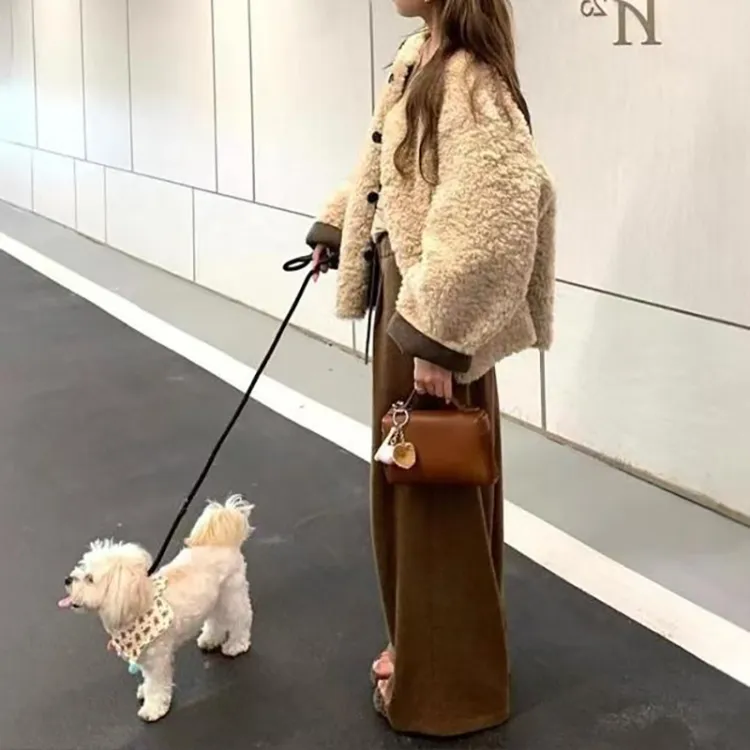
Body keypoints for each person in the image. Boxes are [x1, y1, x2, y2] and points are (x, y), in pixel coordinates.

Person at [305, 0, 556, 738]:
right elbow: (386, 168)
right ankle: (425, 652)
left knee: (434, 496)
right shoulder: (419, 56)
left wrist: (439, 338)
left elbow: (495, 214)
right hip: (411, 306)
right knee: (411, 493)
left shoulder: (471, 78)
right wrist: (339, 225)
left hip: (429, 318)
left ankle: (448, 693)